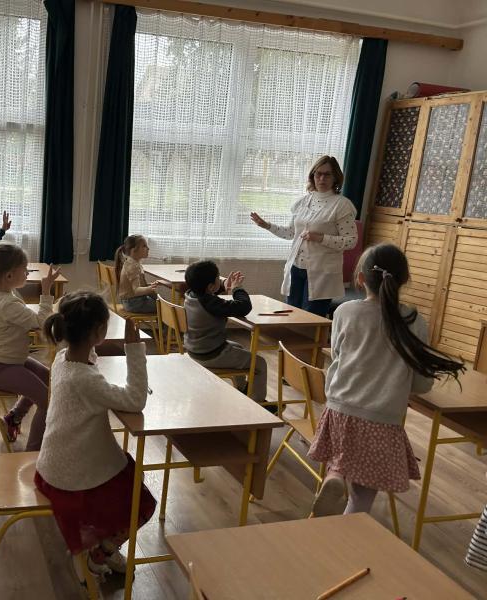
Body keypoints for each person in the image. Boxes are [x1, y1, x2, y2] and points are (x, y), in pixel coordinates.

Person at [308, 244, 465, 517]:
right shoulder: (415, 321)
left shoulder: (345, 312)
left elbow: (337, 357)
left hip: (340, 408)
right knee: (363, 493)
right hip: (381, 418)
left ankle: (335, 476)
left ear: (360, 279)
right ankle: (348, 525)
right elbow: (420, 383)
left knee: (341, 459)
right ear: (404, 280)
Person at [34, 291, 156, 586]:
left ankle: (100, 547)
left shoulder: (63, 359)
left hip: (51, 467)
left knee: (128, 472)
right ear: (99, 331)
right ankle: (100, 553)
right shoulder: (84, 378)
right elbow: (135, 400)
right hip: (71, 479)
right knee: (141, 502)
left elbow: (92, 368)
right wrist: (133, 349)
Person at [0, 242, 60, 450]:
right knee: (47, 401)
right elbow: (41, 323)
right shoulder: (7, 303)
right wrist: (46, 292)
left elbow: (28, 318)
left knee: (50, 381)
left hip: (8, 362)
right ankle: (32, 452)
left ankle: (13, 418)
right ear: (9, 275)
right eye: (25, 269)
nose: (27, 273)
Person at [250, 155, 357, 317]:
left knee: (311, 319)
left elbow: (351, 241)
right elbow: (291, 233)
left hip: (322, 272)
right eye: (318, 174)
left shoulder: (342, 205)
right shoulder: (302, 202)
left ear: (335, 177)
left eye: (327, 174)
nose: (322, 178)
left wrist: (321, 238)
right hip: (296, 268)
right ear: (312, 176)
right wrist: (267, 226)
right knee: (290, 315)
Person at [183, 261, 269, 405]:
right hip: (212, 354)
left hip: (195, 350)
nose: (220, 279)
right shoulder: (211, 303)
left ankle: (243, 391)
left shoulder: (191, 295)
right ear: (210, 286)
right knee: (260, 363)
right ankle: (259, 404)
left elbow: (208, 296)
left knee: (239, 348)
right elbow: (244, 307)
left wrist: (223, 285)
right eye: (218, 278)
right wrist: (236, 288)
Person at [114, 235, 161, 314]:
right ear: (133, 250)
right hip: (134, 303)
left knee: (161, 303)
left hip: (132, 301)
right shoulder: (133, 266)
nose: (148, 248)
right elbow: (136, 291)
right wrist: (149, 289)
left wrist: (149, 286)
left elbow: (138, 285)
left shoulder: (133, 263)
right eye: (144, 246)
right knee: (164, 308)